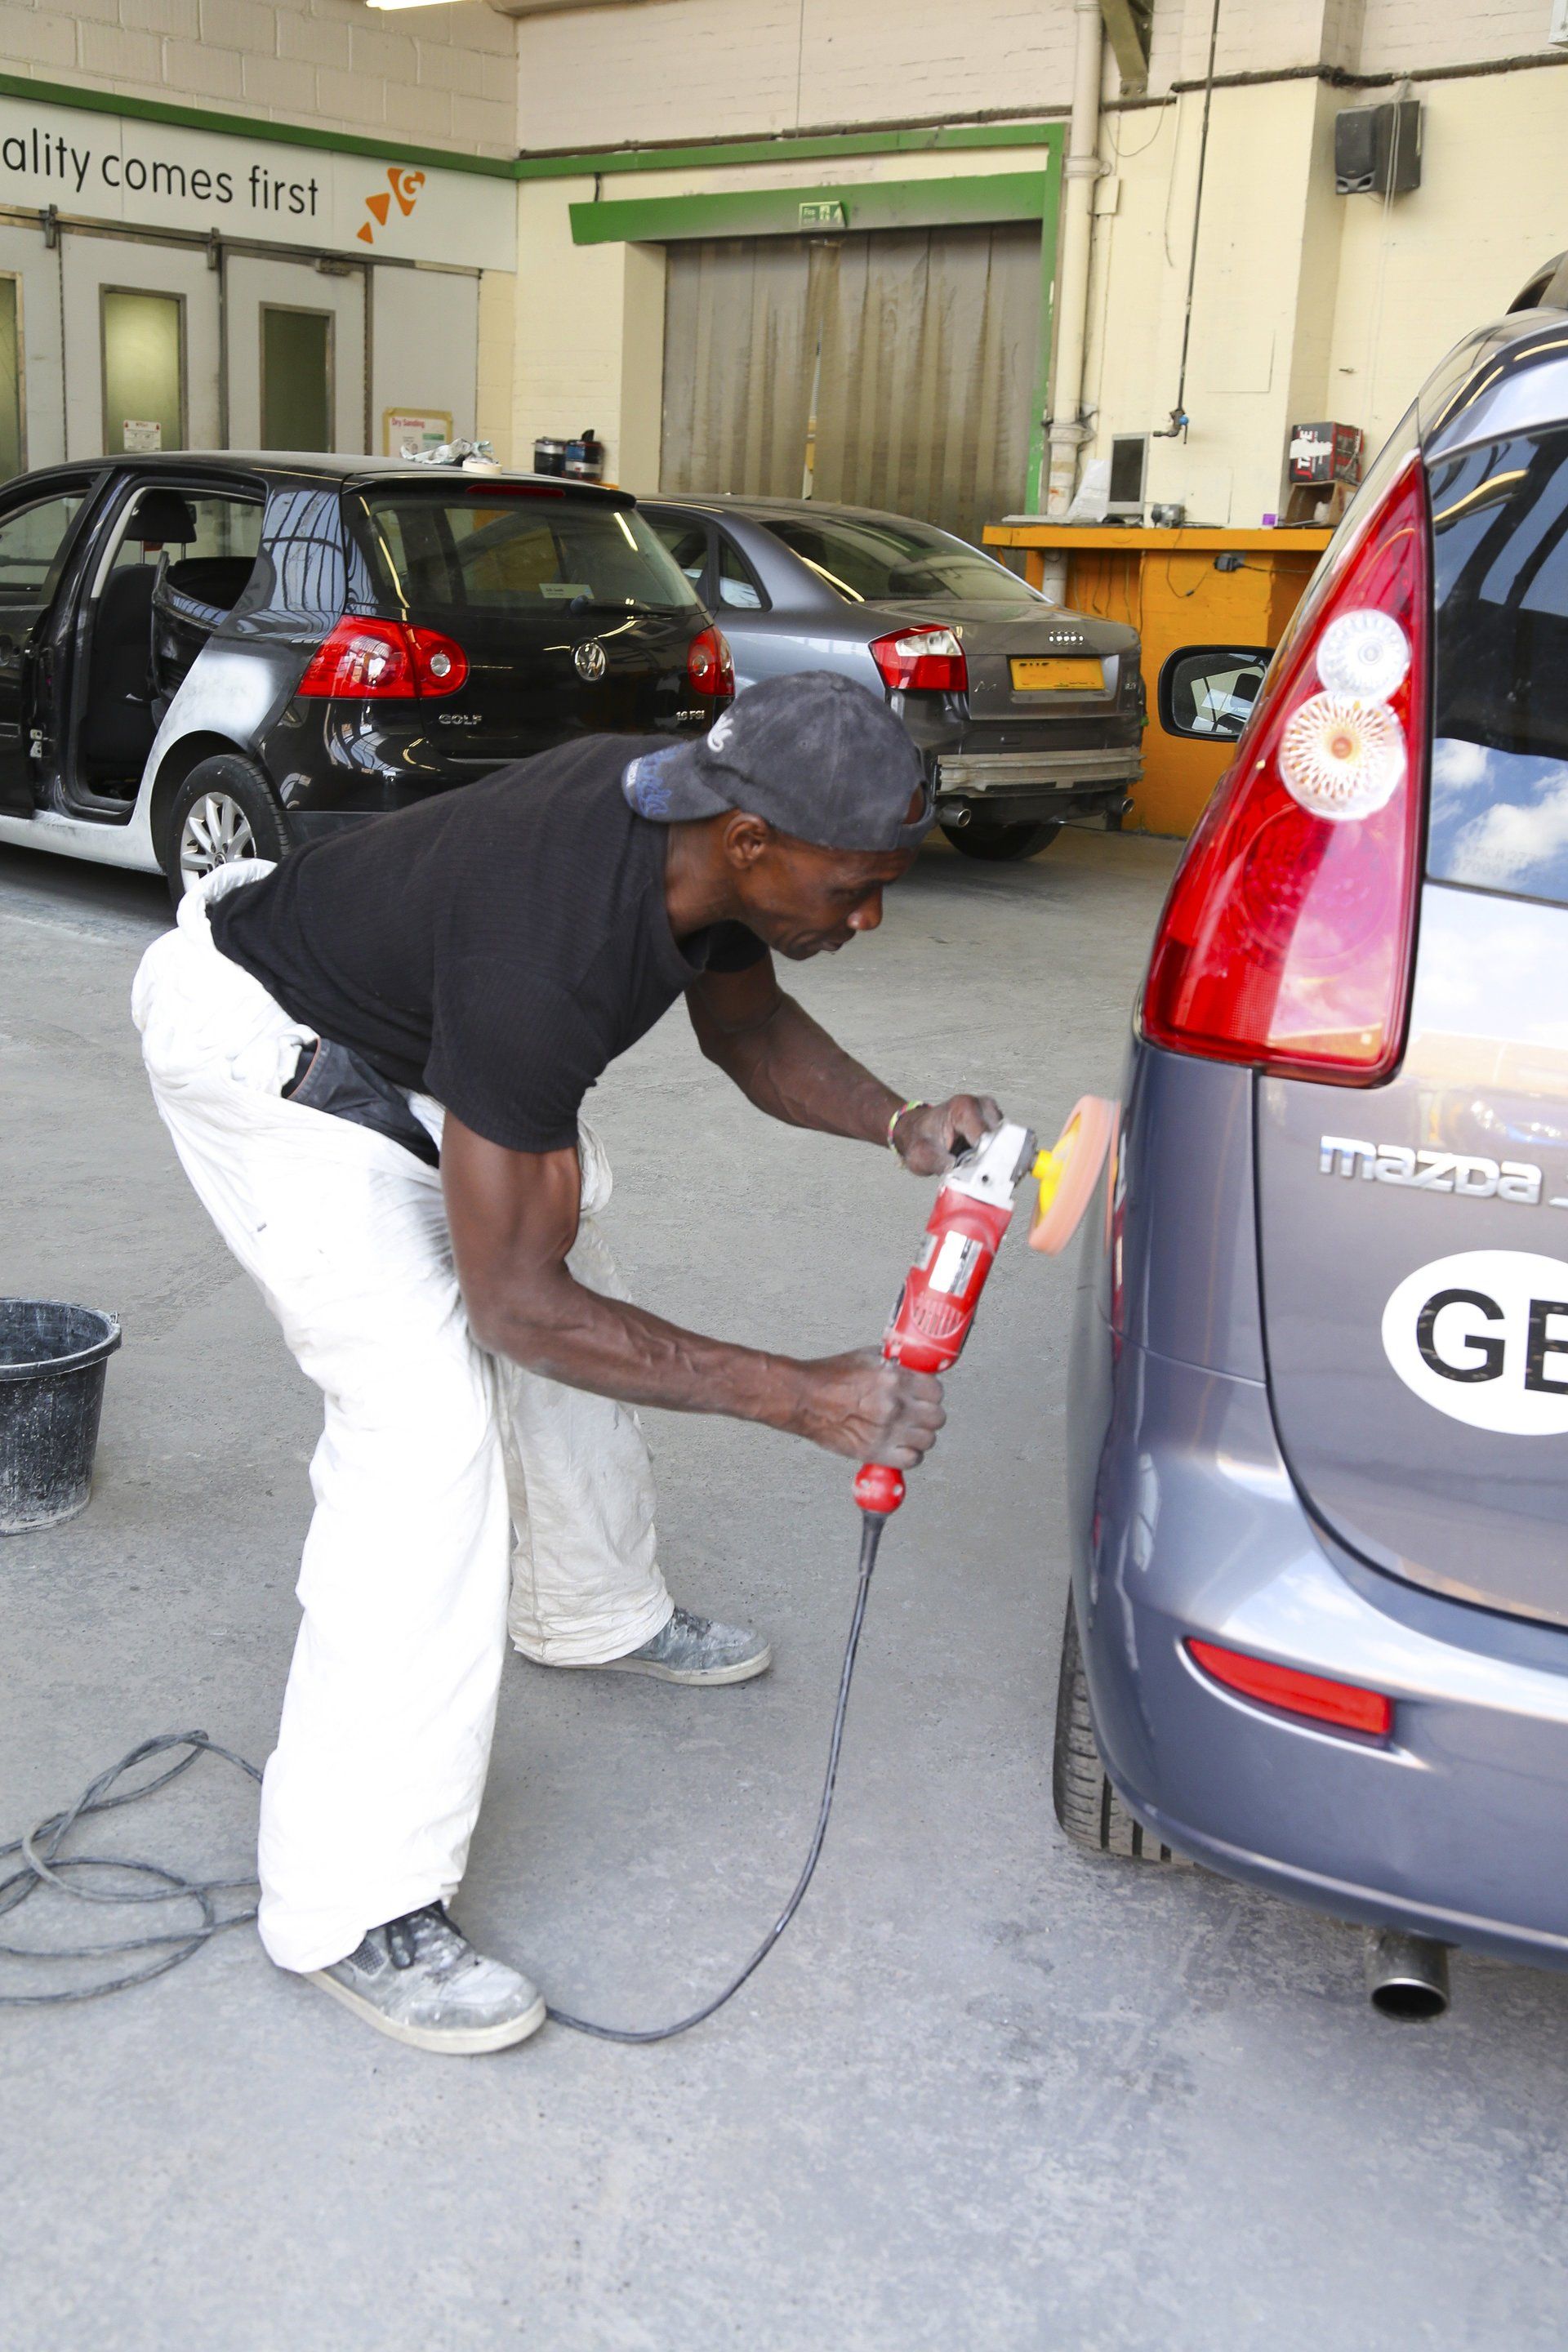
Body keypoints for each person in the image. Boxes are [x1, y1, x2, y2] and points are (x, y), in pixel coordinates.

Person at [131, 670, 1004, 2056]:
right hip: (267, 1062)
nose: (869, 915)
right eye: (855, 888)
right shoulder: (542, 950)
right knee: (424, 1431)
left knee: (570, 1260)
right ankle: (349, 1905)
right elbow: (516, 1312)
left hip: (403, 1048)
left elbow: (751, 1029)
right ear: (754, 842)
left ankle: (589, 1613)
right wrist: (807, 1396)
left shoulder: (694, 831)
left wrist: (895, 1120)